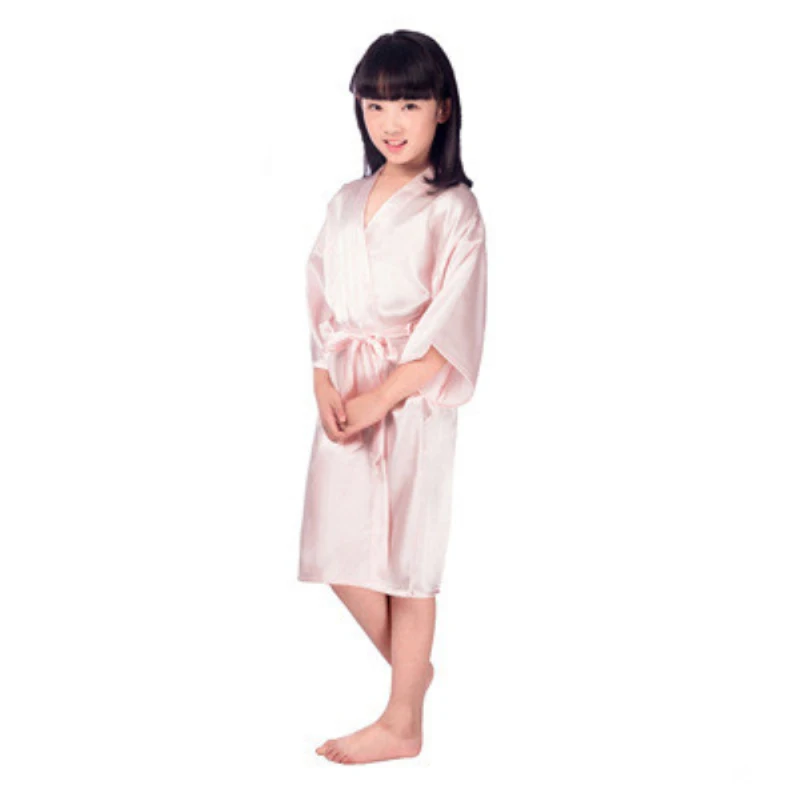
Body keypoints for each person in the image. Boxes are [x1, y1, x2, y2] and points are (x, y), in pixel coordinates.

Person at [297, 30, 488, 765]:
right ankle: (414, 680)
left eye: (408, 102)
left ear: (442, 107)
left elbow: (452, 324)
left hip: (411, 398)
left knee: (407, 557)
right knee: (336, 552)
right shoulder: (345, 201)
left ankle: (401, 721)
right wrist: (323, 378)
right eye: (374, 104)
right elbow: (319, 299)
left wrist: (385, 397)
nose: (390, 121)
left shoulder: (453, 209)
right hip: (347, 390)